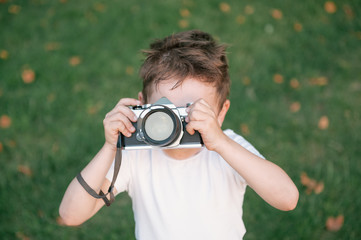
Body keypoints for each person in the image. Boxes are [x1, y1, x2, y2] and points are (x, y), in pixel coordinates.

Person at [59, 30, 299, 239]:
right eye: (166, 110)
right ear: (142, 107)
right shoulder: (135, 156)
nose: (176, 122)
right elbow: (70, 215)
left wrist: (222, 144)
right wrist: (110, 147)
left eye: (192, 110)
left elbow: (287, 199)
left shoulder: (230, 149)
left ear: (220, 114)